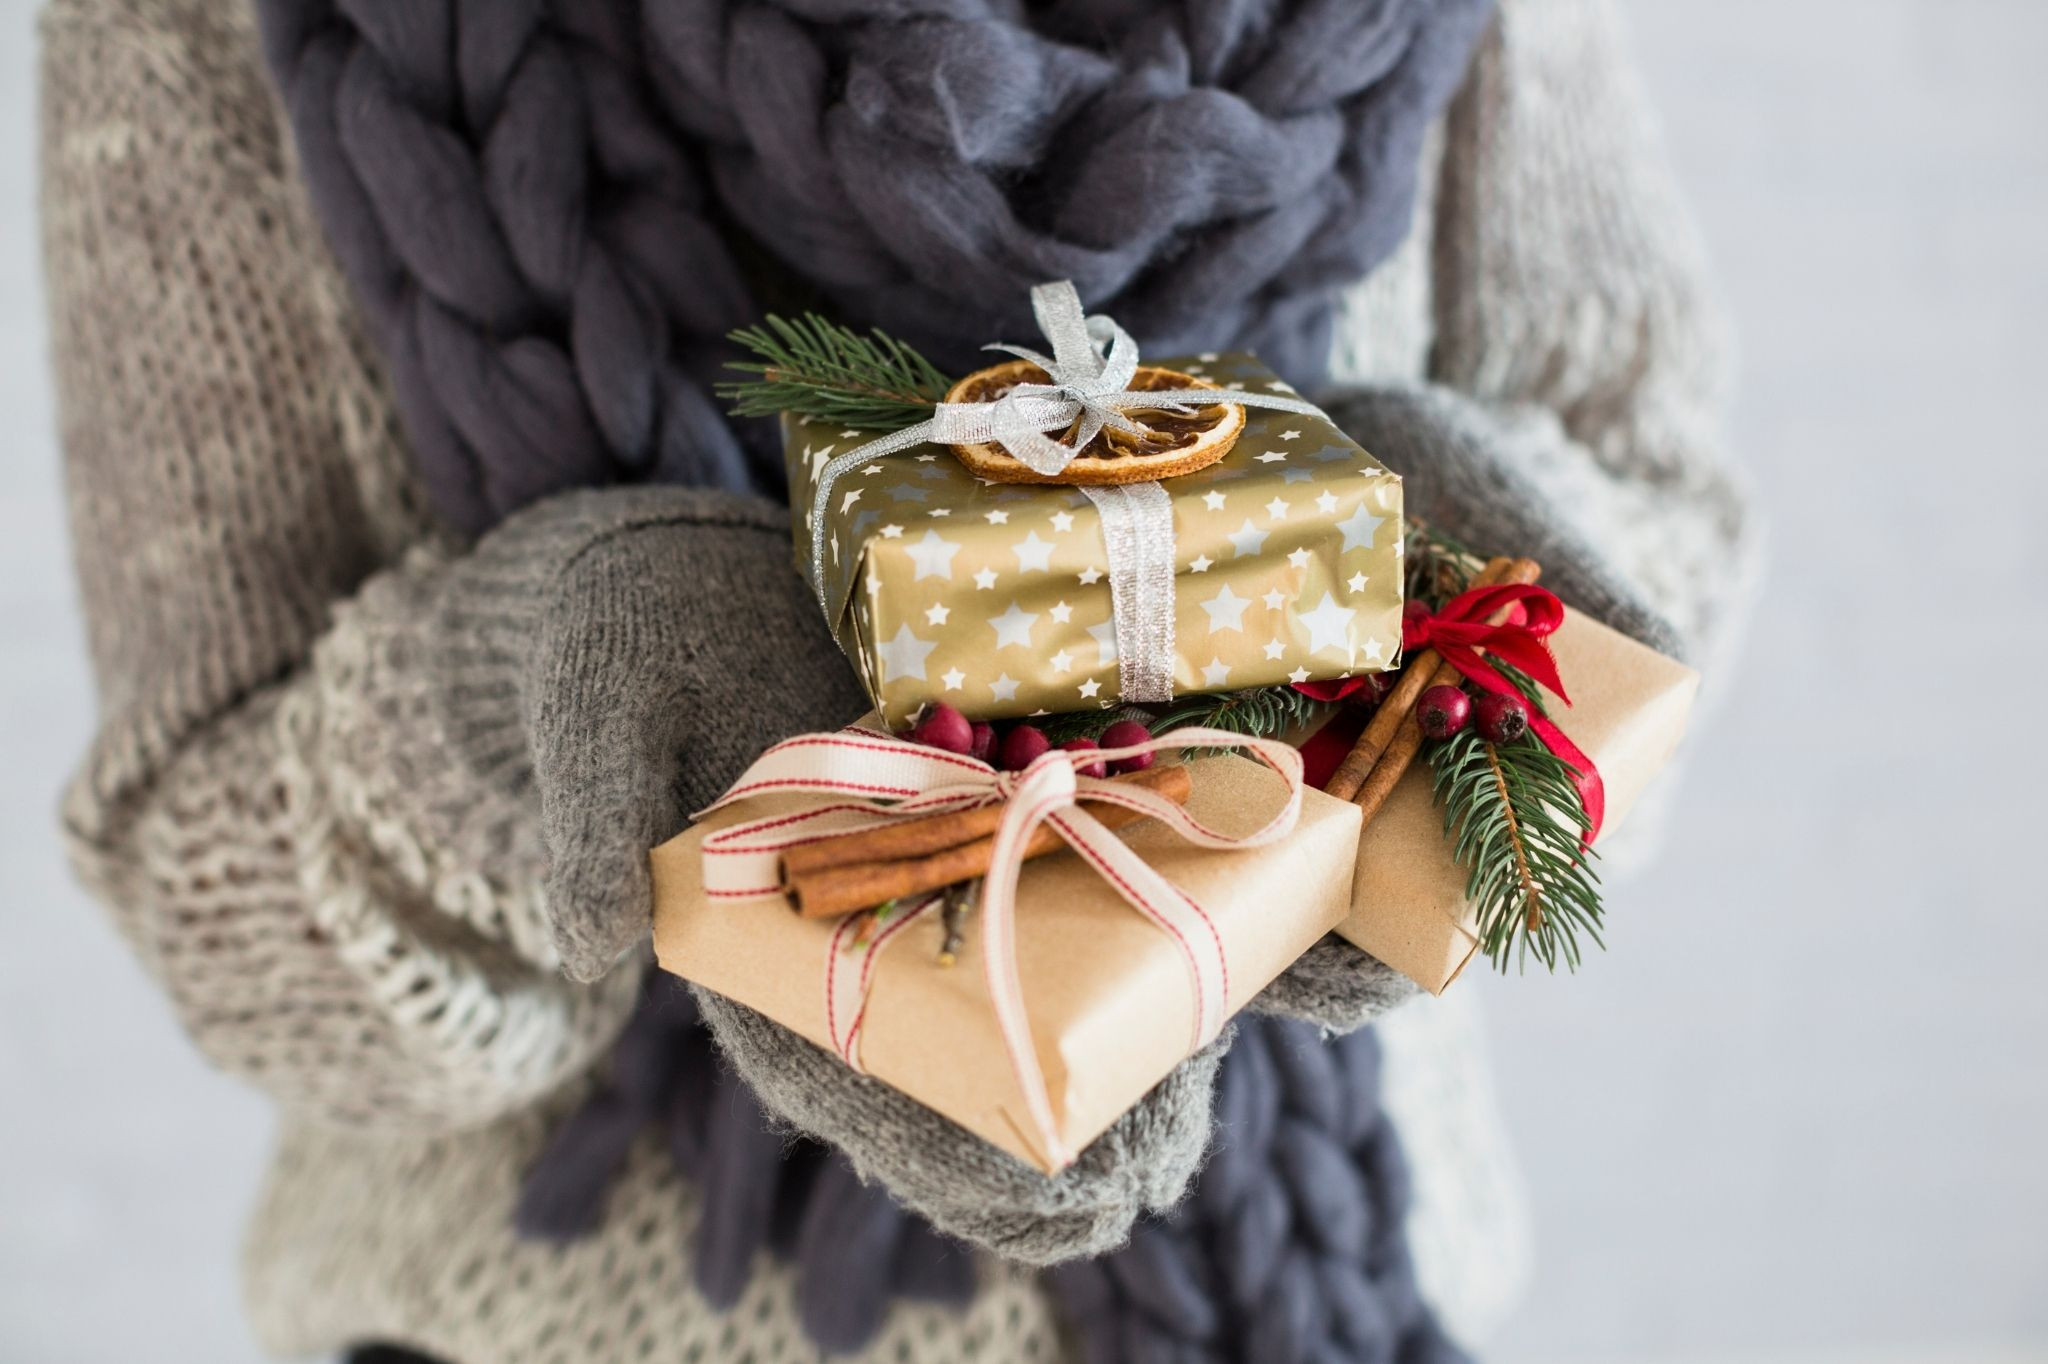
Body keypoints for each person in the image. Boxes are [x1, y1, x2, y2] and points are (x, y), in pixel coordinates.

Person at [42, 0, 1751, 1359]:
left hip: (1343, 1277)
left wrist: (1436, 510)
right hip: (558, 1319)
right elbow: (202, 868)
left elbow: (1665, 489)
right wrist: (538, 684)